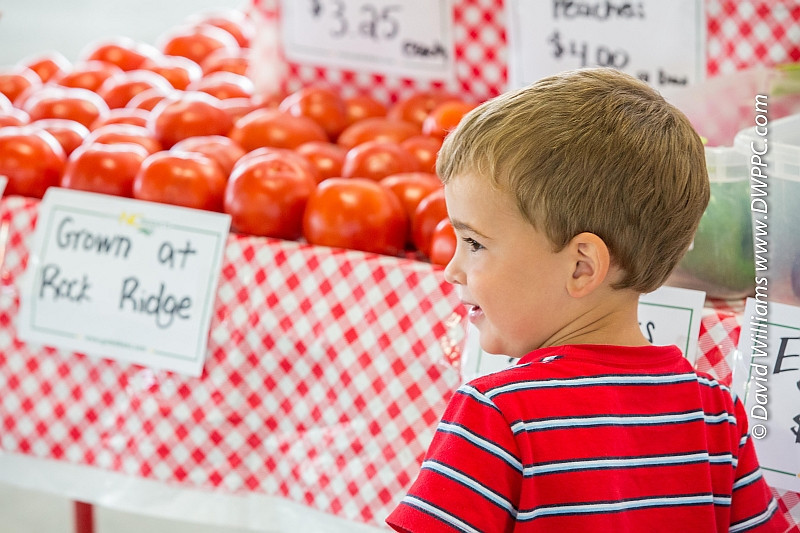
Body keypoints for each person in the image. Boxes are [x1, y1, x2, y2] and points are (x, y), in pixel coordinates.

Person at [386, 68, 789, 533]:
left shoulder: (495, 415)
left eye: (474, 243)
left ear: (582, 266)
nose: (452, 268)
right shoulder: (716, 412)